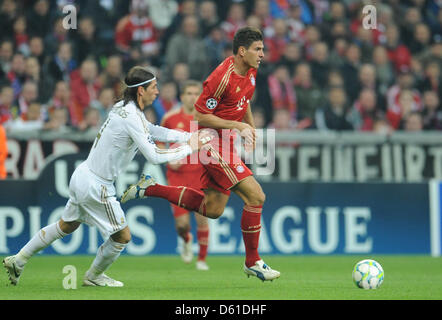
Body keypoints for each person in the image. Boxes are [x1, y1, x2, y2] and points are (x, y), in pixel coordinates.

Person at [2, 66, 211, 287]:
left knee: (66, 225)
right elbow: (155, 155)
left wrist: (190, 136)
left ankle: (19, 259)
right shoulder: (131, 116)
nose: (157, 92)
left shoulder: (124, 108)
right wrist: (190, 147)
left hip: (83, 174)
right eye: (153, 87)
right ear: (141, 91)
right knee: (122, 236)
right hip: (97, 185)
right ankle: (93, 277)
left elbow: (153, 129)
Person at [122, 27, 280, 282]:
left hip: (226, 142)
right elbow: (199, 116)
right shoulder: (221, 77)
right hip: (210, 141)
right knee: (256, 195)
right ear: (242, 51)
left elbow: (245, 101)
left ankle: (150, 188)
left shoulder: (251, 71)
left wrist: (248, 127)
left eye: (262, 49)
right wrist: (238, 126)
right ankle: (253, 261)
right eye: (258, 49)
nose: (262, 54)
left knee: (214, 209)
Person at [160, 80, 209, 271]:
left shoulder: (207, 119)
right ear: (182, 97)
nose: (193, 97)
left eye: (197, 93)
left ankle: (202, 260)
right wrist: (168, 158)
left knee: (202, 217)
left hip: (201, 174)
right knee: (182, 224)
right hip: (177, 176)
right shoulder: (170, 118)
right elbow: (158, 141)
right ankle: (186, 239)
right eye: (189, 93)